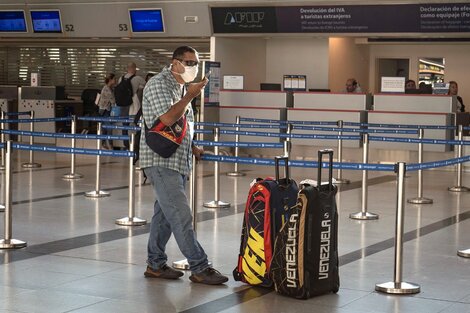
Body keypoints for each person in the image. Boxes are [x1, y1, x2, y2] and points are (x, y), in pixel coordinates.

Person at [140, 46, 229, 285]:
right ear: (175, 63)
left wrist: (192, 148)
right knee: (180, 214)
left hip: (177, 160)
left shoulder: (180, 88)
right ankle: (200, 267)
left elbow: (181, 127)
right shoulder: (160, 84)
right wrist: (189, 95)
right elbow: (166, 119)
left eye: (196, 63)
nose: (193, 67)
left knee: (165, 217)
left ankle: (155, 264)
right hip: (160, 160)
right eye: (189, 62)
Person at [118, 62, 146, 149]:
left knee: (124, 126)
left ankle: (126, 145)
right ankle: (135, 145)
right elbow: (145, 86)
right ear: (134, 69)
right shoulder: (138, 78)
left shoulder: (120, 79)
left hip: (122, 105)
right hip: (133, 105)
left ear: (127, 68)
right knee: (135, 124)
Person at [97, 73, 116, 149]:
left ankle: (103, 143)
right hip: (104, 110)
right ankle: (110, 144)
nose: (115, 80)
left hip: (106, 109)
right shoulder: (106, 89)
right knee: (108, 127)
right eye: (114, 79)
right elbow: (113, 100)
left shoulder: (110, 88)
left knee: (105, 127)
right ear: (110, 80)